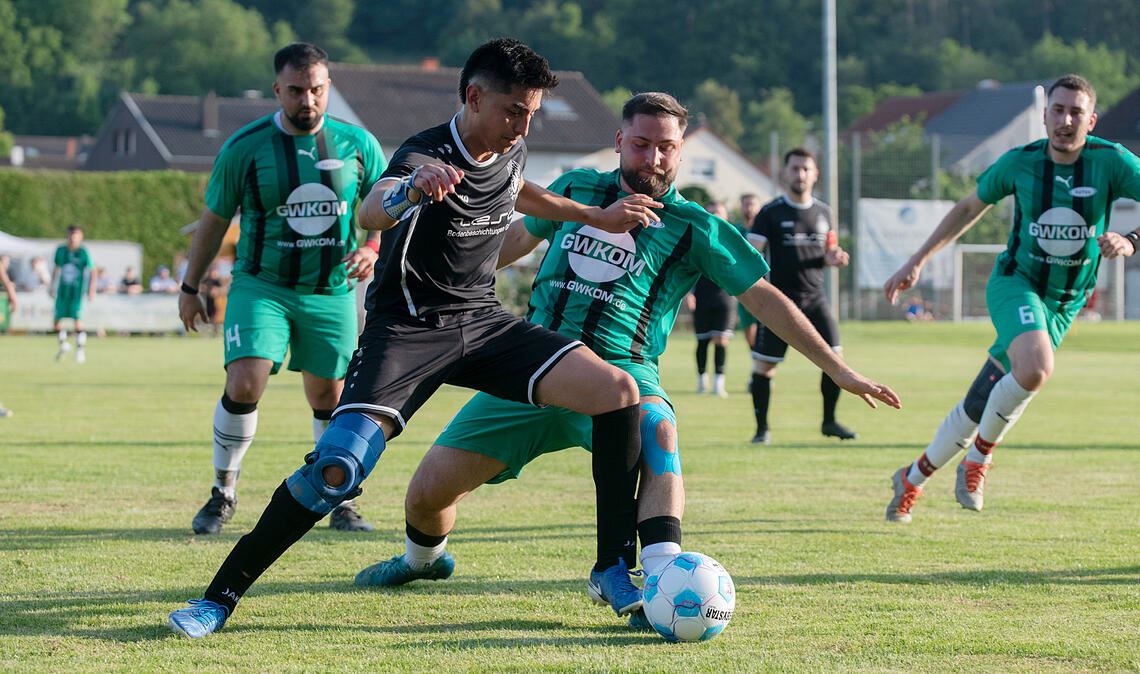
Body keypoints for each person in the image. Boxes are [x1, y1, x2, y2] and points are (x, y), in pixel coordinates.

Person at [167, 38, 666, 639]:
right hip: (406, 330)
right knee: (336, 471)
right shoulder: (424, 153)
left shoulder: (510, 143)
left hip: (482, 322)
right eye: (514, 111)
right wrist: (408, 189)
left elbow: (516, 188)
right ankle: (217, 599)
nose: (523, 125)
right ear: (474, 97)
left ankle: (612, 566)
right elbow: (370, 210)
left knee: (617, 391)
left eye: (531, 112)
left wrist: (593, 216)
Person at [347, 94, 899, 633]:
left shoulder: (695, 226)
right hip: (534, 365)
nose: (653, 158)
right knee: (426, 496)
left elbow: (764, 297)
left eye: (666, 147)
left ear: (680, 151)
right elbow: (509, 241)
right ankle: (422, 561)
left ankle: (656, 580)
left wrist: (837, 368)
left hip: (625, 373)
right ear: (618, 141)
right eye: (640, 144)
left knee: (659, 430)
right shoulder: (577, 190)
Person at [883, 74, 1140, 523]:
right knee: (1036, 368)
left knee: (983, 400)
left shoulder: (1111, 161)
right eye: (1058, 110)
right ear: (1044, 115)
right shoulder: (1020, 163)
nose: (1065, 120)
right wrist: (918, 259)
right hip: (1016, 283)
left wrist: (1131, 240)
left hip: (1066, 302)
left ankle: (912, 478)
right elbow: (968, 207)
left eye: (1075, 112)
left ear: (1092, 120)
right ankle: (978, 459)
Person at [174, 43, 388, 537]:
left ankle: (338, 497)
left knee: (330, 395)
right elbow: (214, 220)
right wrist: (189, 285)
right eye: (296, 90)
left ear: (328, 87)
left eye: (316, 89)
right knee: (245, 380)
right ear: (276, 90)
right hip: (262, 286)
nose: (307, 100)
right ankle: (223, 492)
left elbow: (387, 206)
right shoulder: (245, 147)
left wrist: (373, 248)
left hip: (331, 290)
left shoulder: (358, 144)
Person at [746, 148, 854, 444]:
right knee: (764, 366)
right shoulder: (770, 212)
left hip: (815, 299)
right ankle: (762, 431)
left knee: (836, 359)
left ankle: (829, 422)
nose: (800, 174)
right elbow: (751, 252)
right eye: (795, 168)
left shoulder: (824, 212)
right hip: (778, 302)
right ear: (785, 172)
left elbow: (830, 248)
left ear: (815, 174)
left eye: (806, 169)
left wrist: (834, 257)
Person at [687, 201, 736, 396]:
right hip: (702, 296)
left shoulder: (733, 239)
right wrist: (688, 293)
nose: (715, 214)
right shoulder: (696, 237)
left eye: (719, 212)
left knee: (721, 340)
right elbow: (687, 268)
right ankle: (702, 380)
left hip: (725, 297)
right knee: (703, 341)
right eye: (712, 212)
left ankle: (719, 383)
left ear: (726, 216)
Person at [50, 225, 95, 363]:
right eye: (71, 235)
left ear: (81, 237)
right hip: (62, 292)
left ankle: (80, 351)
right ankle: (63, 345)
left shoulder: (83, 252)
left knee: (77, 321)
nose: (73, 238)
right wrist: (51, 286)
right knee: (56, 321)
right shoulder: (60, 250)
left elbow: (93, 271)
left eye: (76, 236)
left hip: (76, 293)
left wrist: (91, 289)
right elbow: (56, 268)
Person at [735, 193, 763, 348]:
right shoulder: (736, 230)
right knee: (748, 328)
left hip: (764, 283)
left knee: (765, 324)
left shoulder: (763, 230)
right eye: (746, 204)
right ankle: (754, 354)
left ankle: (762, 355)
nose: (749, 208)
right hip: (743, 285)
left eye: (753, 204)